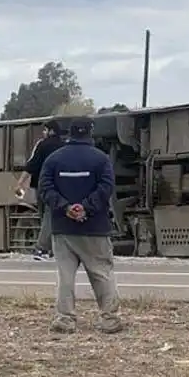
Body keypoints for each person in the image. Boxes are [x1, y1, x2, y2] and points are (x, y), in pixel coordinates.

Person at [39, 117, 122, 335]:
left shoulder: (54, 159)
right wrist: (86, 207)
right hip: (94, 228)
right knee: (102, 273)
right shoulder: (101, 159)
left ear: (70, 133)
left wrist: (66, 207)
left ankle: (65, 319)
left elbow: (45, 188)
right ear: (90, 133)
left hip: (63, 228)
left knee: (65, 277)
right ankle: (109, 319)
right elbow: (106, 188)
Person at [14, 119, 66, 260]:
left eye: (45, 130)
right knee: (54, 217)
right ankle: (52, 249)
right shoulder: (64, 146)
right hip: (62, 186)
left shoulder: (42, 145)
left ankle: (41, 248)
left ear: (51, 131)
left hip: (43, 186)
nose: (43, 133)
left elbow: (31, 165)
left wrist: (20, 183)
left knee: (46, 216)